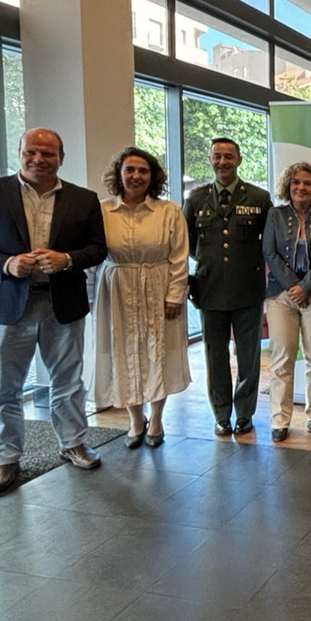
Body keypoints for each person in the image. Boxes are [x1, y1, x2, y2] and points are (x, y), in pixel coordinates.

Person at [0, 127, 108, 494]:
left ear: (61, 158)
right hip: (2, 303)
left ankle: (73, 443)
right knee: (2, 387)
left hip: (60, 303)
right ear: (19, 153)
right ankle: (4, 459)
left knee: (68, 381)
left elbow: (97, 249)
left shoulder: (84, 199)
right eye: (31, 151)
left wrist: (66, 259)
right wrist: (4, 264)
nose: (39, 159)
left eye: (48, 154)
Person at [94, 147, 190, 448]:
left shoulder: (168, 211)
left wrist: (175, 295)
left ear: (153, 177)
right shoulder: (101, 210)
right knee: (123, 352)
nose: (136, 176)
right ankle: (135, 420)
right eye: (130, 170)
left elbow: (180, 257)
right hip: (117, 289)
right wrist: (88, 297)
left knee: (156, 352)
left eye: (143, 171)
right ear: (119, 174)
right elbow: (92, 256)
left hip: (159, 288)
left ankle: (157, 418)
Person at [183, 137, 272, 437]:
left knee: (248, 357)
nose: (222, 162)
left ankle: (244, 414)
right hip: (209, 291)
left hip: (247, 289)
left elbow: (269, 245)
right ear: (210, 160)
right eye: (217, 156)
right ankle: (221, 414)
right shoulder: (195, 200)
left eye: (228, 156)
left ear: (239, 159)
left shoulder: (259, 199)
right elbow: (188, 245)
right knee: (215, 357)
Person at [263, 162, 311, 442]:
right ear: (288, 187)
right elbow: (269, 251)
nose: (301, 187)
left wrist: (305, 286)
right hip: (281, 296)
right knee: (282, 357)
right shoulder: (275, 215)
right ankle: (280, 418)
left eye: (307, 183)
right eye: (296, 183)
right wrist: (293, 286)